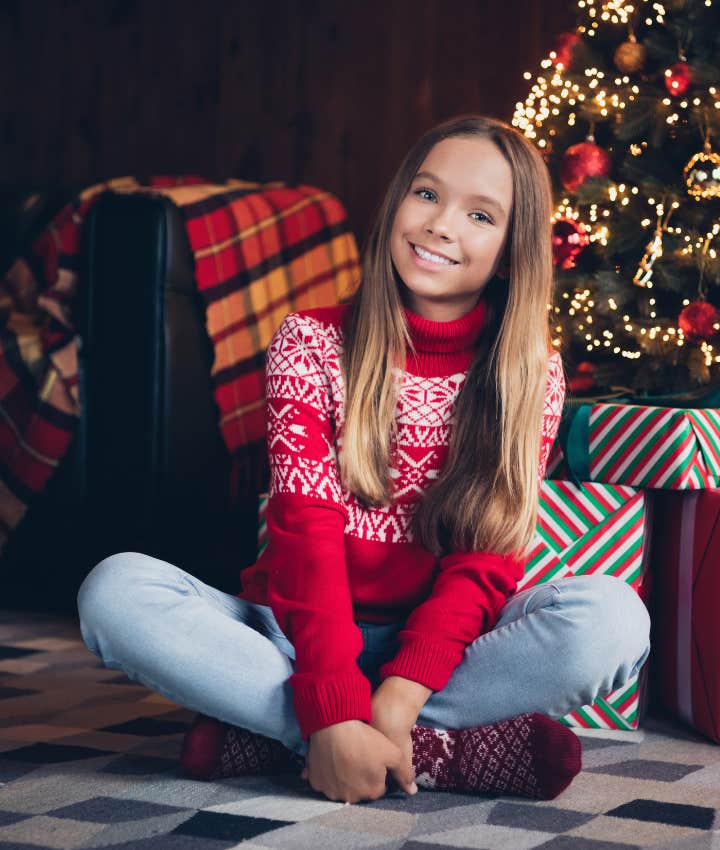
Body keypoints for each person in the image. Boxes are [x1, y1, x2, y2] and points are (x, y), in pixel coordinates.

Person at [77, 114, 650, 806]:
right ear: (397, 200)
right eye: (427, 194)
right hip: (294, 637)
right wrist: (332, 697)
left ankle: (303, 737)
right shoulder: (310, 343)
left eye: (479, 214)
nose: (440, 225)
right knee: (115, 592)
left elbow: (484, 563)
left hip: (446, 658)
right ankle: (432, 752)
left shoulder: (530, 373)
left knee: (614, 620)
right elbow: (306, 539)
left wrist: (398, 700)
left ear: (510, 251)